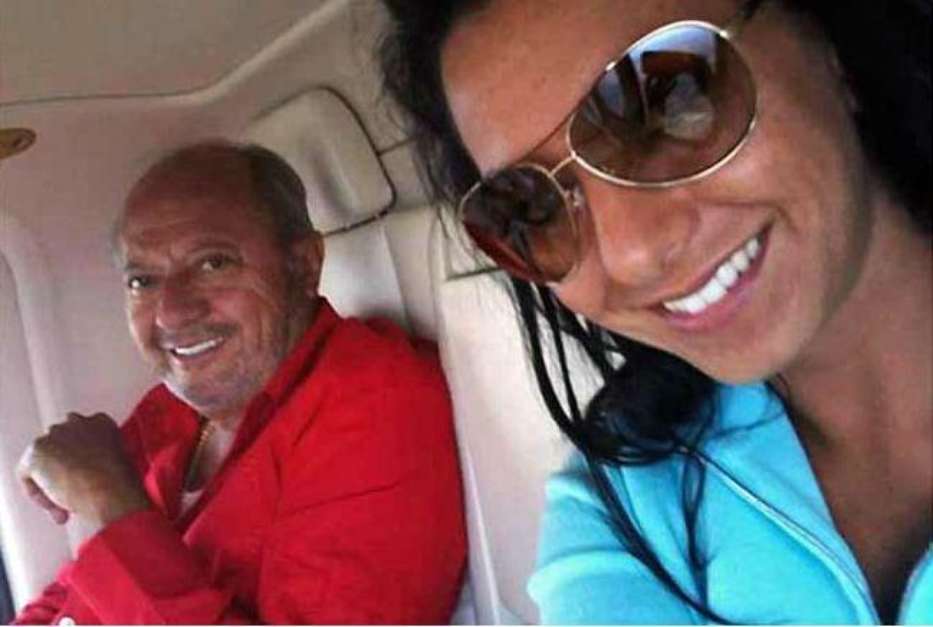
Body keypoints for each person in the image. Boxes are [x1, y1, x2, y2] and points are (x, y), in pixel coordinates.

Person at [379, 0, 931, 623]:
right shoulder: (622, 510)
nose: (632, 254)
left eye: (669, 103)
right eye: (532, 208)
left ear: (827, 48)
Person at [13, 141, 466, 624]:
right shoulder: (175, 409)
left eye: (213, 263)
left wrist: (108, 501)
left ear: (304, 265)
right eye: (143, 281)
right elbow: (77, 593)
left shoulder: (373, 404)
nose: (171, 313)